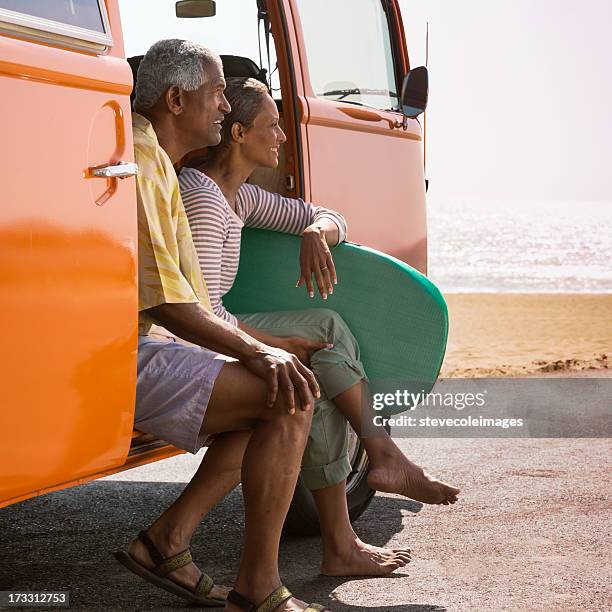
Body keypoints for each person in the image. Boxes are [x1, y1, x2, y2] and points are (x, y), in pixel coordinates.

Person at [178, 77, 461, 575]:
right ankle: (376, 465)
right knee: (313, 351)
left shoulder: (238, 198)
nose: (283, 137)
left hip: (220, 324)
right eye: (272, 125)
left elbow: (332, 217)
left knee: (321, 358)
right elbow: (197, 315)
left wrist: (314, 231)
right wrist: (278, 344)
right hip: (196, 339)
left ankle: (345, 536)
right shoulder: (202, 199)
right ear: (239, 133)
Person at [116, 39, 329, 612]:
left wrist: (259, 349)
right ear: (176, 99)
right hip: (125, 354)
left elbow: (188, 302)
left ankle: (167, 541)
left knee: (277, 391)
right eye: (215, 93)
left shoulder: (159, 158)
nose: (223, 107)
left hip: (150, 345)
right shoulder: (140, 157)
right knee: (288, 394)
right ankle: (257, 586)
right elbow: (165, 304)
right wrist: (263, 352)